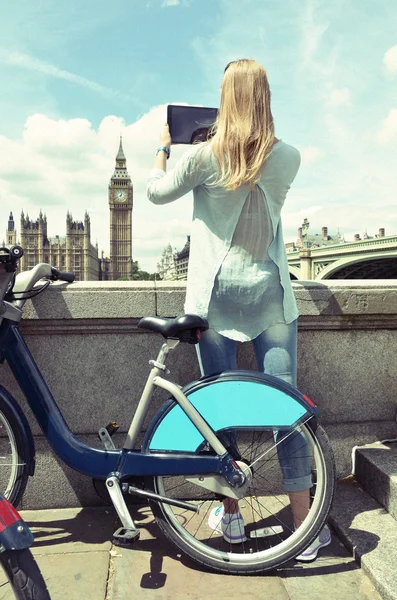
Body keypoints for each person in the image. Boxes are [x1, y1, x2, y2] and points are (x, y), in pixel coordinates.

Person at [146, 58, 331, 562]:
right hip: (270, 293)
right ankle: (304, 524)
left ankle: (230, 517)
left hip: (213, 296)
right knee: (287, 410)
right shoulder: (288, 156)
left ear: (225, 100)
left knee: (218, 411)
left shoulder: (205, 156)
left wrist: (164, 149)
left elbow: (156, 193)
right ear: (266, 98)